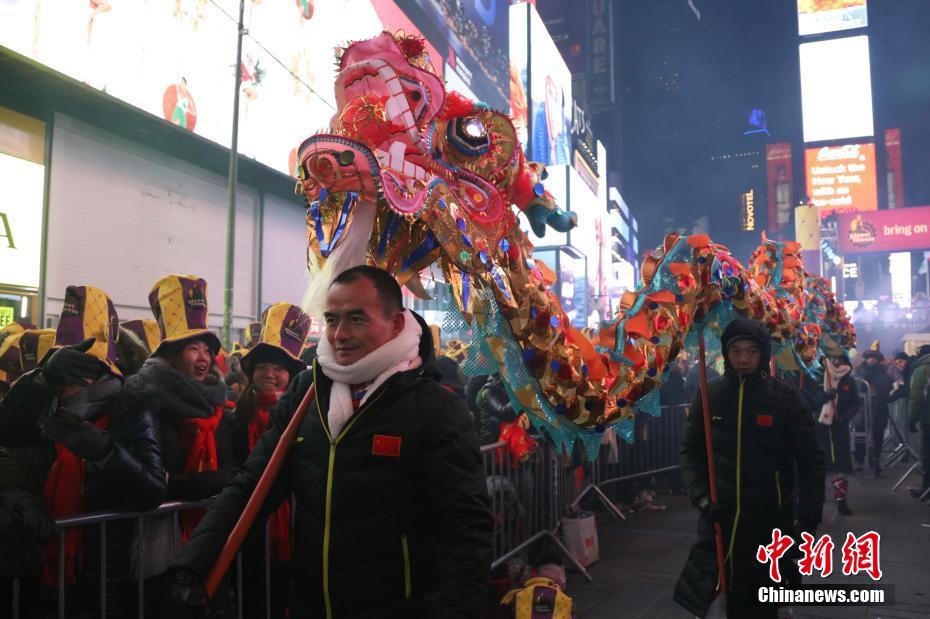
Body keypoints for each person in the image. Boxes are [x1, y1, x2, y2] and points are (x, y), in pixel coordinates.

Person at [170, 265, 492, 618]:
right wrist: (194, 563)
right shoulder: (305, 396)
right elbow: (252, 485)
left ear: (396, 323)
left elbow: (465, 528)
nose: (340, 334)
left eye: (356, 319)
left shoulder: (435, 408)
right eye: (332, 320)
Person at [0, 285, 166, 615]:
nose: (70, 380)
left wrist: (104, 450)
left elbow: (152, 490)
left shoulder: (131, 409)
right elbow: (7, 430)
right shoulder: (47, 407)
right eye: (66, 367)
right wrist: (41, 379)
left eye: (82, 367)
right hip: (42, 572)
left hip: (103, 576)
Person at [675, 315, 825, 619]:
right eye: (737, 351)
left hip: (770, 523)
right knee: (720, 604)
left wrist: (808, 515)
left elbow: (811, 460)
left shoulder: (785, 398)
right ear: (727, 355)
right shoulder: (709, 394)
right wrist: (701, 497)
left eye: (751, 351)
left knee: (762, 607)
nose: (744, 358)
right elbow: (691, 452)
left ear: (763, 354)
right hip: (720, 523)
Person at [121, 274, 235, 612]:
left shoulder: (215, 404)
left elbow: (228, 462)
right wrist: (188, 487)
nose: (202, 358)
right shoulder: (143, 397)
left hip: (208, 538)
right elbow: (138, 471)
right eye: (192, 348)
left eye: (207, 349)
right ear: (171, 354)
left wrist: (226, 478)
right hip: (159, 540)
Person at [814, 355, 860, 515]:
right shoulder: (818, 375)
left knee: (841, 465)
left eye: (839, 360)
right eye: (833, 360)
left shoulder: (849, 380)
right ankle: (815, 500)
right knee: (818, 464)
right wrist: (824, 396)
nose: (836, 363)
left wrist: (845, 416)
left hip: (840, 428)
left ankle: (841, 500)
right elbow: (809, 400)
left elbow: (856, 402)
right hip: (819, 428)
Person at [855, 350, 895, 476]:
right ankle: (859, 460)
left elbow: (890, 390)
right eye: (869, 358)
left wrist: (892, 395)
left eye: (874, 358)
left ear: (878, 360)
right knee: (860, 434)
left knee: (878, 435)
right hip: (862, 409)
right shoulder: (859, 373)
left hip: (879, 409)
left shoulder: (884, 376)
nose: (871, 360)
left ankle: (875, 459)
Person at [907, 344, 930, 499]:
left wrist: (911, 419)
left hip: (928, 419)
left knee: (927, 453)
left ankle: (926, 489)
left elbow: (917, 397)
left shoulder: (923, 369)